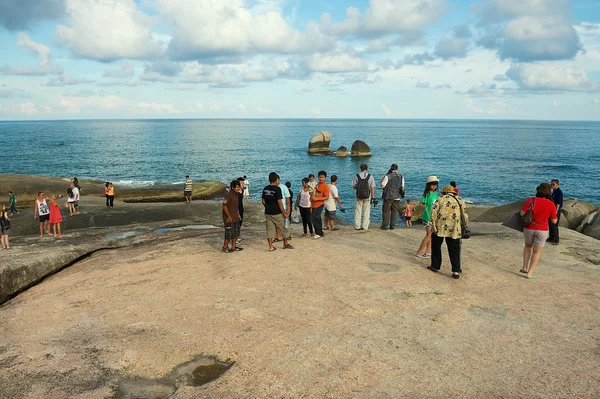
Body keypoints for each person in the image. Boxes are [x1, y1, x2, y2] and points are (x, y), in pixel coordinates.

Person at [426, 185, 469, 279]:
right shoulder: (460, 200)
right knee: (454, 249)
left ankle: (435, 266)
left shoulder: (440, 199)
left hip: (440, 227)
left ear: (444, 192)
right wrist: (463, 227)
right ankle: (456, 271)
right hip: (454, 228)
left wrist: (433, 225)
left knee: (436, 247)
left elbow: (433, 213)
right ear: (453, 192)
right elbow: (464, 215)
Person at [520, 183, 558, 279]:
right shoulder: (551, 204)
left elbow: (522, 213)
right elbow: (554, 221)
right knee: (536, 252)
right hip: (542, 230)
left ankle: (524, 267)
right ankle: (530, 273)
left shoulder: (531, 200)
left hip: (529, 227)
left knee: (527, 246)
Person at [262, 172, 293, 251]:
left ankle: (271, 246)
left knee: (269, 229)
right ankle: (285, 243)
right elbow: (279, 202)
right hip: (277, 212)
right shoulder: (277, 189)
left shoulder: (265, 188)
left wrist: (267, 207)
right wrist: (284, 212)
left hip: (268, 212)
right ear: (276, 179)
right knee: (285, 227)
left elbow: (263, 201)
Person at [416, 176, 439, 258]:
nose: (434, 186)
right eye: (432, 185)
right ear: (429, 185)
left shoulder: (436, 194)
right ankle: (419, 251)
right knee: (429, 234)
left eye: (435, 185)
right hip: (427, 217)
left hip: (433, 218)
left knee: (431, 235)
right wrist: (426, 209)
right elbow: (421, 204)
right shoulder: (427, 194)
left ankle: (428, 251)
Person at [380, 163, 404, 230]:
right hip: (397, 196)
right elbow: (402, 187)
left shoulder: (388, 176)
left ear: (391, 168)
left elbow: (383, 186)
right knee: (394, 212)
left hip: (388, 196)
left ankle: (384, 226)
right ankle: (392, 226)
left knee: (386, 211)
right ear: (397, 169)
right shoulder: (401, 176)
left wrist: (382, 181)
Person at [352, 164, 376, 230]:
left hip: (358, 196)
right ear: (367, 168)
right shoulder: (370, 176)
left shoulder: (357, 176)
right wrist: (373, 196)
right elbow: (372, 187)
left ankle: (357, 226)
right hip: (367, 196)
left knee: (358, 210)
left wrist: (358, 188)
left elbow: (353, 186)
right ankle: (365, 226)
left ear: (360, 168)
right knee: (366, 211)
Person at [222, 180, 243, 253]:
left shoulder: (236, 195)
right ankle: (225, 247)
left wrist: (238, 214)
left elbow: (236, 206)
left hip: (235, 217)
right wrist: (228, 216)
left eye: (239, 187)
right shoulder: (229, 195)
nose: (238, 188)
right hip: (229, 217)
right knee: (229, 233)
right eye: (236, 187)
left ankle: (234, 246)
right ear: (232, 187)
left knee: (236, 232)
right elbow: (224, 206)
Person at [310, 171, 330, 239]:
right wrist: (312, 197)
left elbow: (327, 197)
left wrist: (317, 199)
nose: (321, 178)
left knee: (315, 217)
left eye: (323, 177)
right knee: (315, 218)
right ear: (318, 177)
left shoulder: (325, 186)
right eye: (320, 177)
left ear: (325, 178)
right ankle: (319, 232)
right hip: (314, 203)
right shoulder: (317, 184)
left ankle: (319, 233)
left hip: (320, 204)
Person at [548, 179, 563, 245]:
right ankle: (551, 237)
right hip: (551, 209)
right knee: (550, 224)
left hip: (556, 210)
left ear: (557, 185)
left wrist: (556, 211)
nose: (552, 185)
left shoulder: (559, 192)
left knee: (554, 225)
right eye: (551, 184)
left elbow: (558, 204)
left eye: (553, 184)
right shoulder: (553, 191)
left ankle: (556, 240)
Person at [237, 177, 245, 244]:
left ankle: (237, 237)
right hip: (237, 209)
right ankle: (235, 238)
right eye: (241, 183)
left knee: (240, 223)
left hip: (241, 208)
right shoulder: (236, 192)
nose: (242, 184)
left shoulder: (242, 190)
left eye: (243, 183)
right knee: (236, 223)